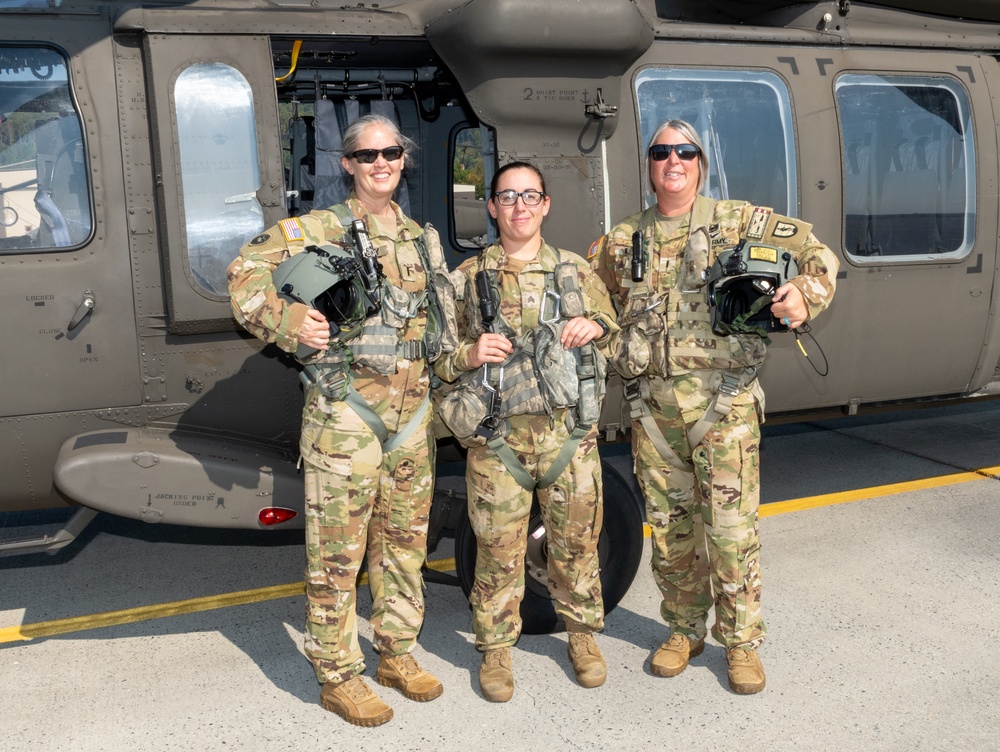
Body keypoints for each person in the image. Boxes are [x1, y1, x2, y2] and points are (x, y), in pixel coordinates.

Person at [590, 119, 838, 694]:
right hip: (653, 414)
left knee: (730, 532)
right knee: (672, 532)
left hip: (724, 407)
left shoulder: (740, 221)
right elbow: (593, 301)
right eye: (661, 152)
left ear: (700, 162)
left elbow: (816, 254)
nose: (672, 161)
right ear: (648, 164)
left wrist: (806, 294)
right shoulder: (622, 240)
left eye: (685, 151)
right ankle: (683, 630)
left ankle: (742, 643)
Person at [227, 114, 454, 726]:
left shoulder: (420, 238)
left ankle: (397, 652)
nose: (381, 162)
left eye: (391, 153)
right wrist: (289, 319)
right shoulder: (320, 230)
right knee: (338, 555)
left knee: (404, 548)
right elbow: (243, 276)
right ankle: (337, 674)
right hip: (346, 416)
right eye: (367, 154)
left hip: (411, 418)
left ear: (403, 161)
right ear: (348, 164)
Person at [435, 161, 619, 702]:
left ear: (545, 205)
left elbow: (614, 331)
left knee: (578, 544)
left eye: (530, 195)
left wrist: (596, 326)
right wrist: (467, 353)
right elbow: (437, 357)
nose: (519, 205)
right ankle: (495, 648)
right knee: (497, 550)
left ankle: (582, 636)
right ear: (491, 207)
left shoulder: (576, 273)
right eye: (507, 196)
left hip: (570, 438)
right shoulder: (467, 279)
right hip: (498, 442)